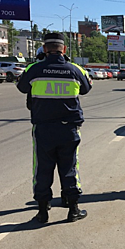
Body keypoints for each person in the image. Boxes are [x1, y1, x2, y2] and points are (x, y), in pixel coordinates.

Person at [16, 32, 93, 223]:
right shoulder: (75, 69)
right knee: (69, 168)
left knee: (42, 169)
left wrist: (40, 64)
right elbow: (87, 87)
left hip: (44, 129)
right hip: (69, 129)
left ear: (44, 49)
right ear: (64, 50)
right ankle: (73, 209)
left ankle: (43, 211)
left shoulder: (34, 69)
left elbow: (21, 86)